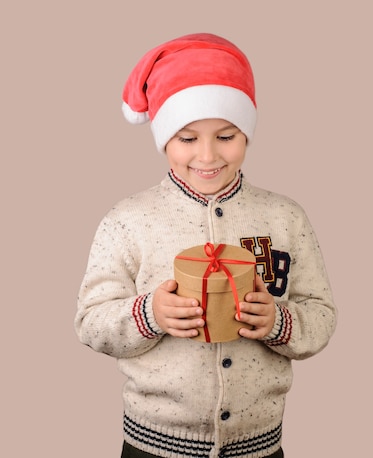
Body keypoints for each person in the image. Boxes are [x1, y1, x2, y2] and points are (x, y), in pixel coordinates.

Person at [75, 33, 337, 458]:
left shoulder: (285, 218)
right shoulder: (127, 220)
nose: (208, 155)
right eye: (187, 138)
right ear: (163, 137)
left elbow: (321, 315)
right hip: (153, 447)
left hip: (260, 447)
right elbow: (90, 322)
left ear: (248, 133)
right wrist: (149, 314)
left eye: (227, 136)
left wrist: (279, 323)